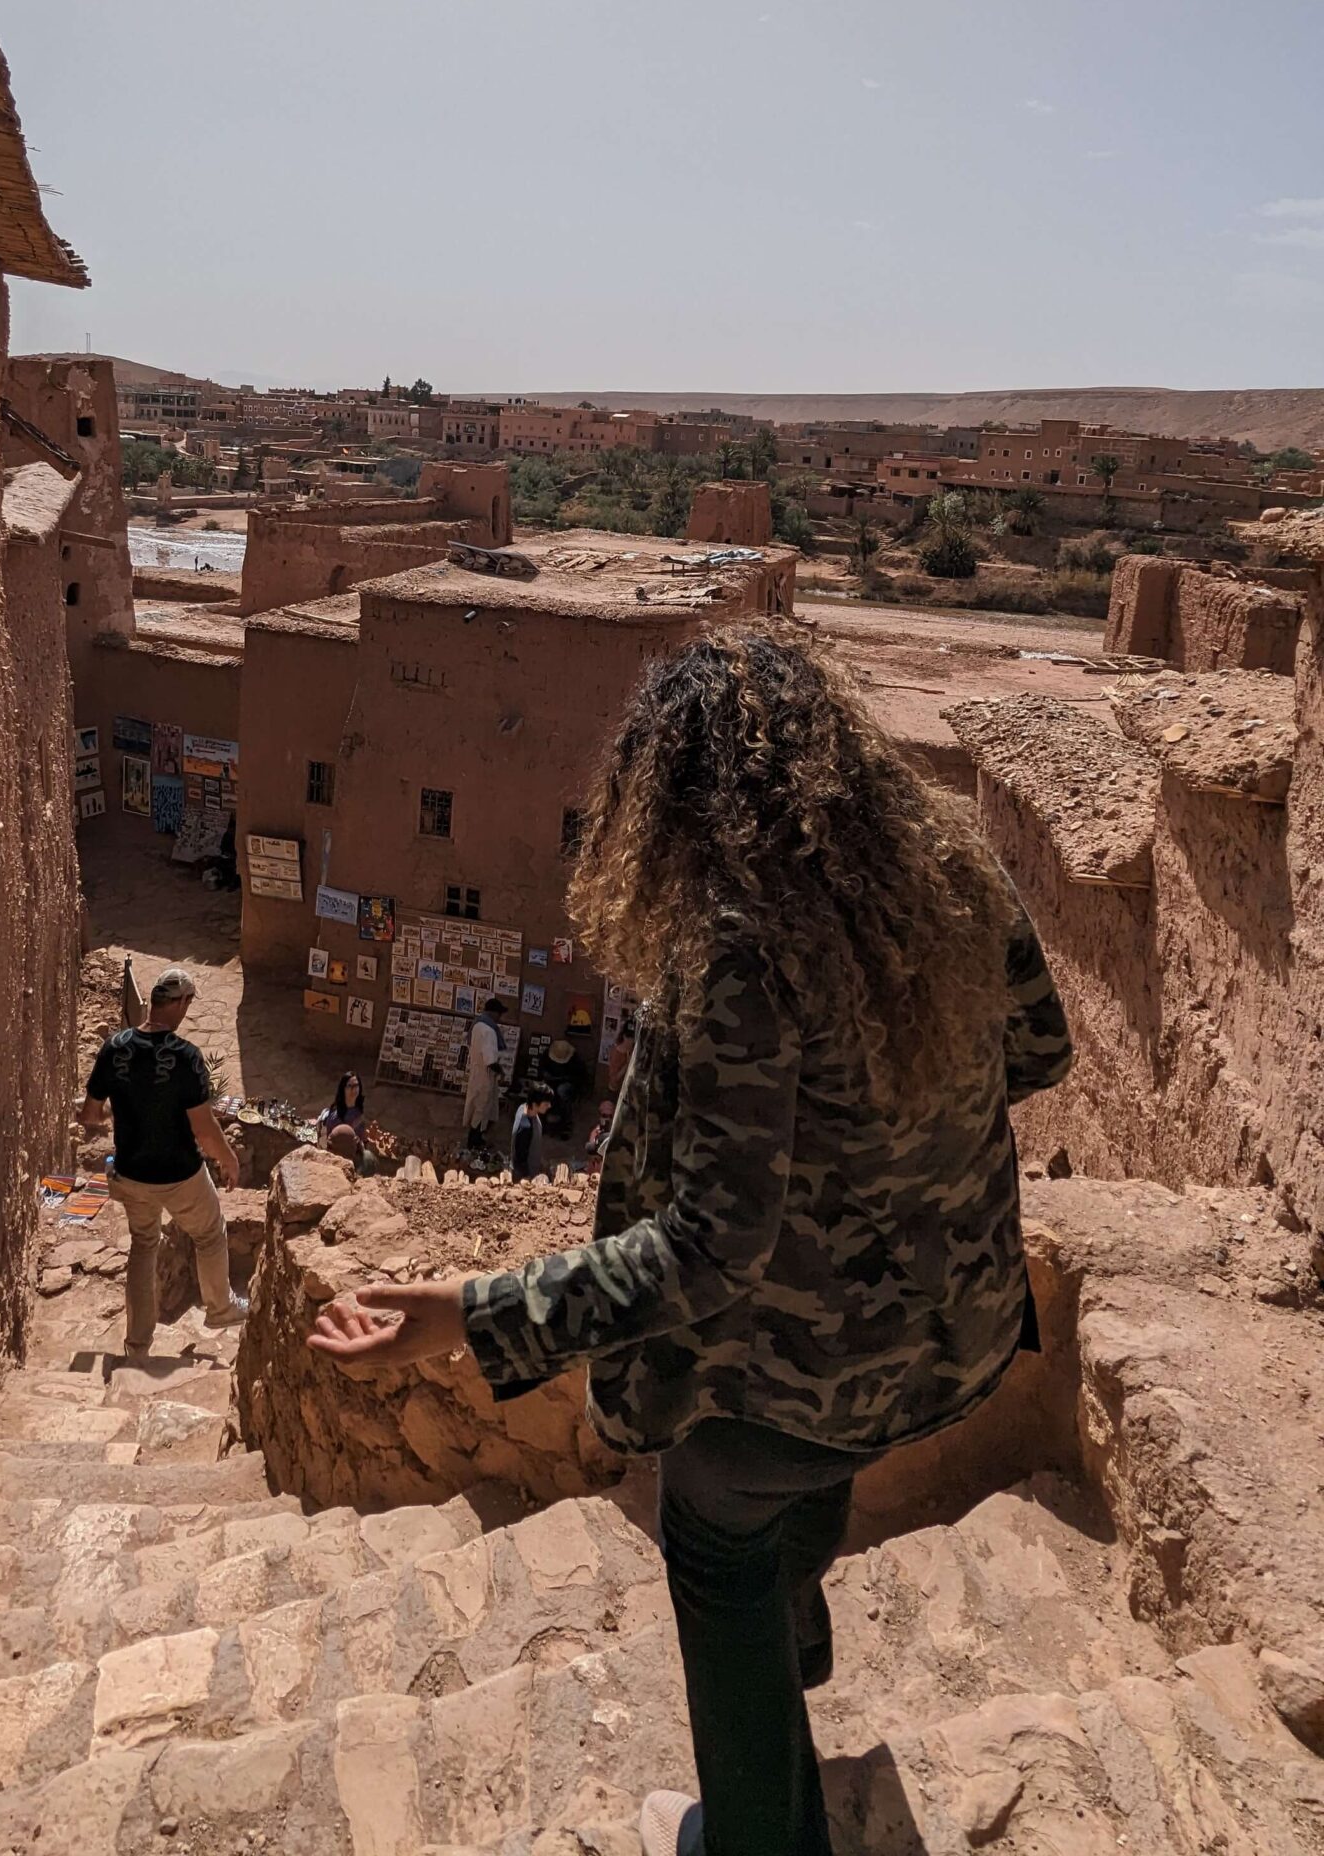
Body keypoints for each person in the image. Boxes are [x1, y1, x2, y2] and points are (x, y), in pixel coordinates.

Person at [308, 623, 1073, 1856]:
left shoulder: (740, 952)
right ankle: (797, 1662)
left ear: (670, 797)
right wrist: (885, 1131)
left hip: (808, 1376)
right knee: (798, 1484)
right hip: (957, 1335)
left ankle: (757, 1834)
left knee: (715, 1526)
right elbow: (1040, 1050)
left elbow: (709, 1250)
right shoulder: (954, 863)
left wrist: (471, 1311)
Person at [82, 965, 249, 1360]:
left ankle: (137, 1345)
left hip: (130, 1171)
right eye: (188, 1003)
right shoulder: (186, 1057)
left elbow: (89, 1115)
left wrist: (115, 1114)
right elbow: (204, 1129)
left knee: (144, 1245)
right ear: (180, 1003)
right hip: (179, 1174)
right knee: (209, 1233)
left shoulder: (115, 1046)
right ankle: (220, 1309)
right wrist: (228, 1160)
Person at [461, 997, 507, 1151]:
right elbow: (490, 1060)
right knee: (482, 1109)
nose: (499, 1018)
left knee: (477, 1106)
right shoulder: (489, 1031)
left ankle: (475, 1139)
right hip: (485, 1075)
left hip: (476, 1072)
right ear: (494, 1013)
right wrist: (501, 1072)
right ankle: (475, 1142)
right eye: (499, 1014)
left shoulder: (477, 1026)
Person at [539, 1028, 588, 1137]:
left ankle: (564, 1122)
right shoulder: (547, 1055)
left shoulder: (575, 1060)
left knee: (562, 1091)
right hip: (551, 1082)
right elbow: (541, 1068)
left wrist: (564, 1079)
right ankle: (542, 1121)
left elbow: (578, 1077)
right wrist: (546, 1076)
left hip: (567, 1084)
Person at [320, 1070, 374, 1168]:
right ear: (343, 1089)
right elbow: (334, 1142)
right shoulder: (336, 1116)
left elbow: (361, 1135)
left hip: (355, 1152)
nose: (354, 1089)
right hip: (340, 1158)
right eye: (350, 1086)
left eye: (356, 1085)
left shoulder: (358, 1110)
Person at [510, 1086, 553, 1183]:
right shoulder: (525, 1127)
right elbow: (520, 1159)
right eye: (546, 1103)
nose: (549, 1106)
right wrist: (527, 1178)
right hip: (524, 1176)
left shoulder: (524, 1107)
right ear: (535, 1104)